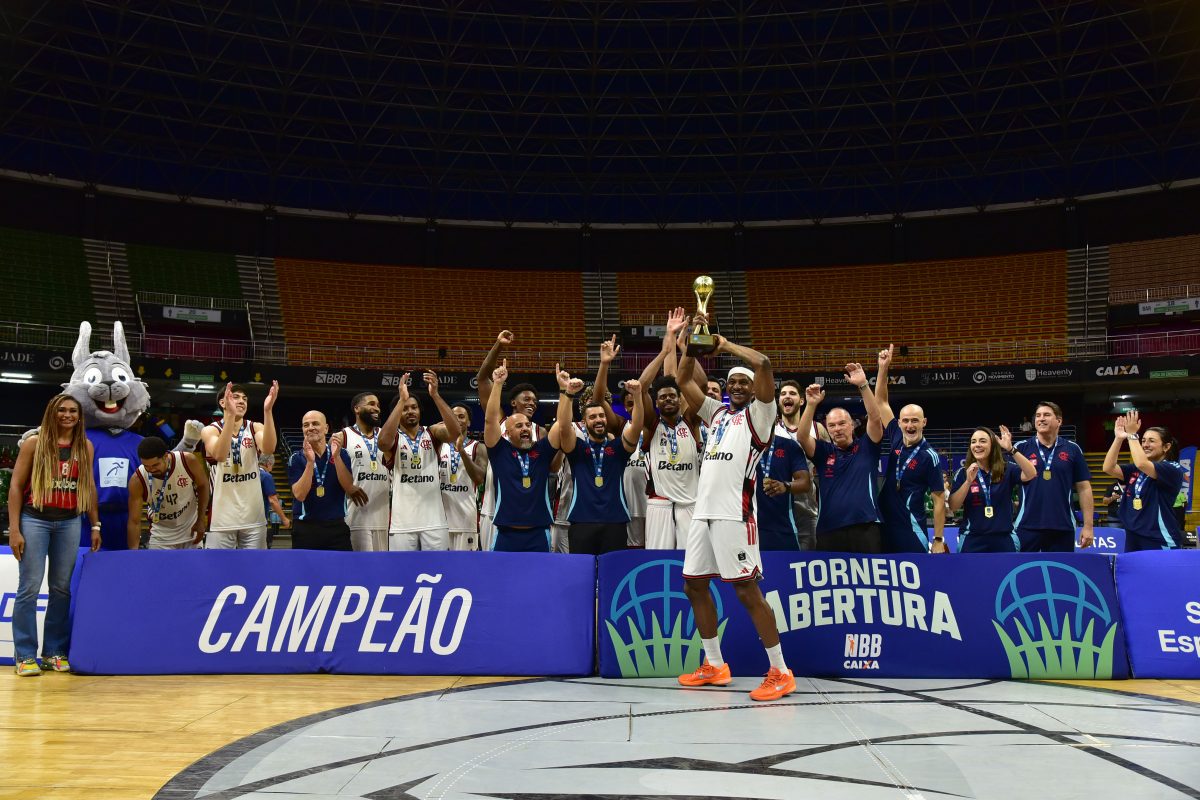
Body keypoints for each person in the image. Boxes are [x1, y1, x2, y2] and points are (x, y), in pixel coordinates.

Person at [674, 319, 795, 702]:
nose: (739, 386)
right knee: (693, 586)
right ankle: (715, 665)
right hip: (703, 513)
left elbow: (763, 363)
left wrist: (723, 344)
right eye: (733, 382)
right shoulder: (718, 414)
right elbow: (682, 379)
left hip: (735, 515)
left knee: (746, 590)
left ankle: (780, 671)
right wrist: (692, 345)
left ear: (754, 389)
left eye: (745, 382)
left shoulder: (761, 415)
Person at [6, 395, 99, 676]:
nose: (67, 415)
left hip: (69, 521)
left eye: (73, 411)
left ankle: (53, 652)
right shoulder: (34, 443)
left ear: (80, 416)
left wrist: (95, 524)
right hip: (34, 519)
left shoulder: (85, 446)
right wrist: (14, 529)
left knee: (61, 589)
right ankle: (24, 655)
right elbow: (15, 486)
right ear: (51, 412)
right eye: (62, 410)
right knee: (29, 588)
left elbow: (89, 487)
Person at [796, 365, 885, 553]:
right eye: (832, 425)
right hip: (829, 530)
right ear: (827, 429)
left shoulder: (867, 447)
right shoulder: (824, 452)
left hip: (866, 527)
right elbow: (802, 436)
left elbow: (875, 418)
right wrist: (811, 405)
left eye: (842, 423)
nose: (837, 429)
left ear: (852, 425)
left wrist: (863, 385)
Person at [483, 360, 571, 551]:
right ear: (507, 432)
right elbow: (490, 420)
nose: (525, 428)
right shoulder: (499, 451)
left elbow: (562, 425)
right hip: (505, 534)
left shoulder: (542, 451)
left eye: (528, 425)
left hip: (539, 534)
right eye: (519, 426)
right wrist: (497, 384)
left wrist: (564, 391)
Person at [637, 309, 702, 550]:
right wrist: (666, 347)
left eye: (672, 396)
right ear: (656, 402)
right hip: (659, 503)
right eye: (662, 396)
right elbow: (642, 387)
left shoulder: (691, 420)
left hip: (691, 503)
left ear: (680, 398)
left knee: (694, 561)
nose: (668, 399)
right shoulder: (651, 423)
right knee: (658, 560)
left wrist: (688, 347)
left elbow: (696, 383)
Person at [873, 344, 947, 553]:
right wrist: (883, 368)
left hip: (911, 527)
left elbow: (939, 499)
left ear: (924, 422)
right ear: (899, 423)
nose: (910, 425)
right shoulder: (896, 437)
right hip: (884, 523)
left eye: (915, 420)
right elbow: (881, 402)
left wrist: (938, 539)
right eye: (905, 420)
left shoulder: (929, 456)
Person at [475, 330, 544, 551]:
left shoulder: (541, 432)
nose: (532, 403)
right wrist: (498, 345)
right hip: (494, 508)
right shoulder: (499, 421)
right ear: (513, 403)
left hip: (529, 515)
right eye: (527, 399)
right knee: (494, 566)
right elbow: (482, 378)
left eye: (535, 401)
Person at [561, 376, 645, 555]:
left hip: (615, 522)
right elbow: (564, 428)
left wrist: (638, 396)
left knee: (614, 570)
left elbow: (637, 427)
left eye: (601, 416)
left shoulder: (618, 448)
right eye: (592, 417)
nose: (598, 420)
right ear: (584, 422)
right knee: (582, 571)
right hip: (581, 521)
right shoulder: (577, 449)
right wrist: (568, 394)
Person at [379, 371, 462, 551]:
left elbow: (456, 433)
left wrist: (435, 395)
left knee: (438, 567)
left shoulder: (432, 432)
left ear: (419, 410)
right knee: (402, 568)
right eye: (405, 408)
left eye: (414, 407)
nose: (410, 411)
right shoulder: (394, 438)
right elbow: (383, 443)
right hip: (402, 524)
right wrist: (401, 400)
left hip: (434, 522)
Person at [201, 381, 279, 549]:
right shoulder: (210, 430)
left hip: (253, 517)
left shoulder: (254, 427)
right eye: (235, 397)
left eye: (244, 398)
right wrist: (230, 416)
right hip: (222, 518)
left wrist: (268, 411)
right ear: (223, 402)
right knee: (219, 565)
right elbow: (220, 454)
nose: (242, 401)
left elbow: (269, 448)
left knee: (254, 565)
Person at [1012, 401, 1094, 550]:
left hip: (1063, 526)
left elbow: (1084, 488)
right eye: (1038, 415)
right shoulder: (1020, 448)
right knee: (1025, 566)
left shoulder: (1073, 449)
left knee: (1059, 566)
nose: (1041, 419)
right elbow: (1006, 482)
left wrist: (1088, 526)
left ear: (1059, 421)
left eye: (1046, 415)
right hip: (1026, 525)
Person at [1102, 411, 1186, 551]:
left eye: (1151, 441)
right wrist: (1118, 438)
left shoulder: (1172, 468)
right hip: (1133, 534)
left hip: (1158, 537)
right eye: (1143, 441)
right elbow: (1108, 468)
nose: (1145, 445)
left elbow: (1142, 463)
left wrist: (1132, 435)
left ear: (1166, 447)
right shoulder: (1136, 468)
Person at [949, 426, 1037, 552]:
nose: (977, 445)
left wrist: (1011, 449)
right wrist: (968, 482)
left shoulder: (1007, 469)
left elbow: (1031, 473)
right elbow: (953, 506)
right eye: (973, 442)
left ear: (993, 446)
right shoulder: (963, 473)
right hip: (972, 538)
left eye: (983, 441)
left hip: (1004, 538)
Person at [126, 436, 209, 550]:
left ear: (166, 456)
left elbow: (203, 486)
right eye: (146, 466)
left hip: (190, 530)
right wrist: (133, 553)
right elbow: (134, 521)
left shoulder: (187, 460)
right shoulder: (137, 479)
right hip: (161, 536)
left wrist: (201, 520)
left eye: (155, 465)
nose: (151, 470)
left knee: (194, 562)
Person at [333, 392, 391, 552]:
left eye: (378, 405)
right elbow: (332, 474)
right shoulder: (342, 436)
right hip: (356, 517)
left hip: (385, 517)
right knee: (362, 565)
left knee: (383, 564)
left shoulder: (386, 436)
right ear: (357, 409)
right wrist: (348, 487)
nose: (377, 408)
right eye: (371, 404)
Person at [288, 410, 352, 550]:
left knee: (342, 565)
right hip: (305, 529)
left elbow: (348, 487)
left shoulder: (342, 454)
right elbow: (299, 495)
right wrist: (310, 463)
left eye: (315, 423)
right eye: (306, 425)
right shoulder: (297, 458)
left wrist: (337, 458)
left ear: (326, 428)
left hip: (336, 528)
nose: (310, 428)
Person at [776, 379, 828, 550]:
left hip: (809, 506)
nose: (787, 396)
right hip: (780, 506)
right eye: (783, 394)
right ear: (778, 401)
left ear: (801, 400)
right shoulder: (771, 429)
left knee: (808, 558)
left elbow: (830, 463)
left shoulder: (817, 428)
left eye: (792, 393)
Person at [440, 403, 487, 551]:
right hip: (439, 520)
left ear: (469, 422)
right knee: (439, 563)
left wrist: (461, 451)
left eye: (461, 417)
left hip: (466, 519)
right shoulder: (438, 445)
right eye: (453, 417)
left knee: (464, 564)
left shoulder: (478, 447)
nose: (457, 420)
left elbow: (479, 479)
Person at [754, 432, 812, 551]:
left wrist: (786, 486)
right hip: (749, 527)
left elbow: (805, 482)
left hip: (783, 527)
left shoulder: (789, 445)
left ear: (776, 421)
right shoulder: (741, 445)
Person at [259, 454, 290, 547]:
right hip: (258, 519)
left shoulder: (250, 473)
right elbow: (273, 500)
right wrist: (284, 518)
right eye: (272, 465)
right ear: (268, 463)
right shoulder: (266, 476)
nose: (271, 468)